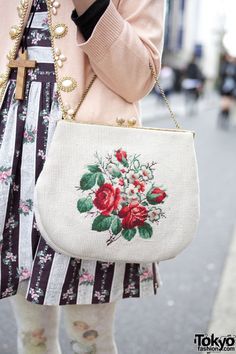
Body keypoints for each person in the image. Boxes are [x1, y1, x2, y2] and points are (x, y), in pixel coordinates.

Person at [0, 0, 165, 353]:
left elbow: (139, 78)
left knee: (89, 337)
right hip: (11, 156)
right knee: (33, 338)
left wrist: (91, 7)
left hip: (89, 162)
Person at [217, 53, 236, 129]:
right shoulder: (224, 65)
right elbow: (221, 74)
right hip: (224, 89)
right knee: (224, 105)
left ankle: (226, 119)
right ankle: (222, 117)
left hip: (232, 90)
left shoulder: (234, 67)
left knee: (228, 106)